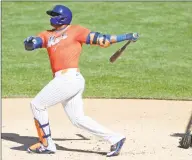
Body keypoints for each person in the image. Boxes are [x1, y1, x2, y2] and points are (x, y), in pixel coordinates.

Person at [24, 5, 139, 157]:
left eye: (54, 14)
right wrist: (30, 41)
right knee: (78, 119)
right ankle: (116, 139)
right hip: (66, 80)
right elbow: (33, 44)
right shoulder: (47, 35)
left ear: (62, 17)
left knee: (37, 105)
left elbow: (102, 40)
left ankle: (46, 144)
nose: (51, 17)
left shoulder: (76, 31)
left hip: (69, 79)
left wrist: (125, 36)